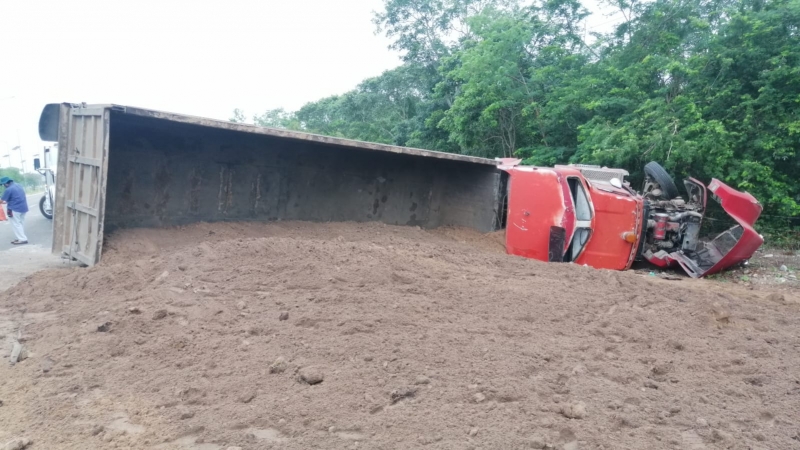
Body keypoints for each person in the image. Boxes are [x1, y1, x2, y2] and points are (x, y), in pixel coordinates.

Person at [0, 176, 29, 245]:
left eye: (3, 184)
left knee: (16, 224)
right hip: (23, 208)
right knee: (20, 223)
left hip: (14, 209)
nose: (4, 186)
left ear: (6, 183)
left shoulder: (9, 189)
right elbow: (15, 197)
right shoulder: (18, 185)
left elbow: (1, 200)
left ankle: (22, 239)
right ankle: (21, 237)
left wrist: (2, 201)